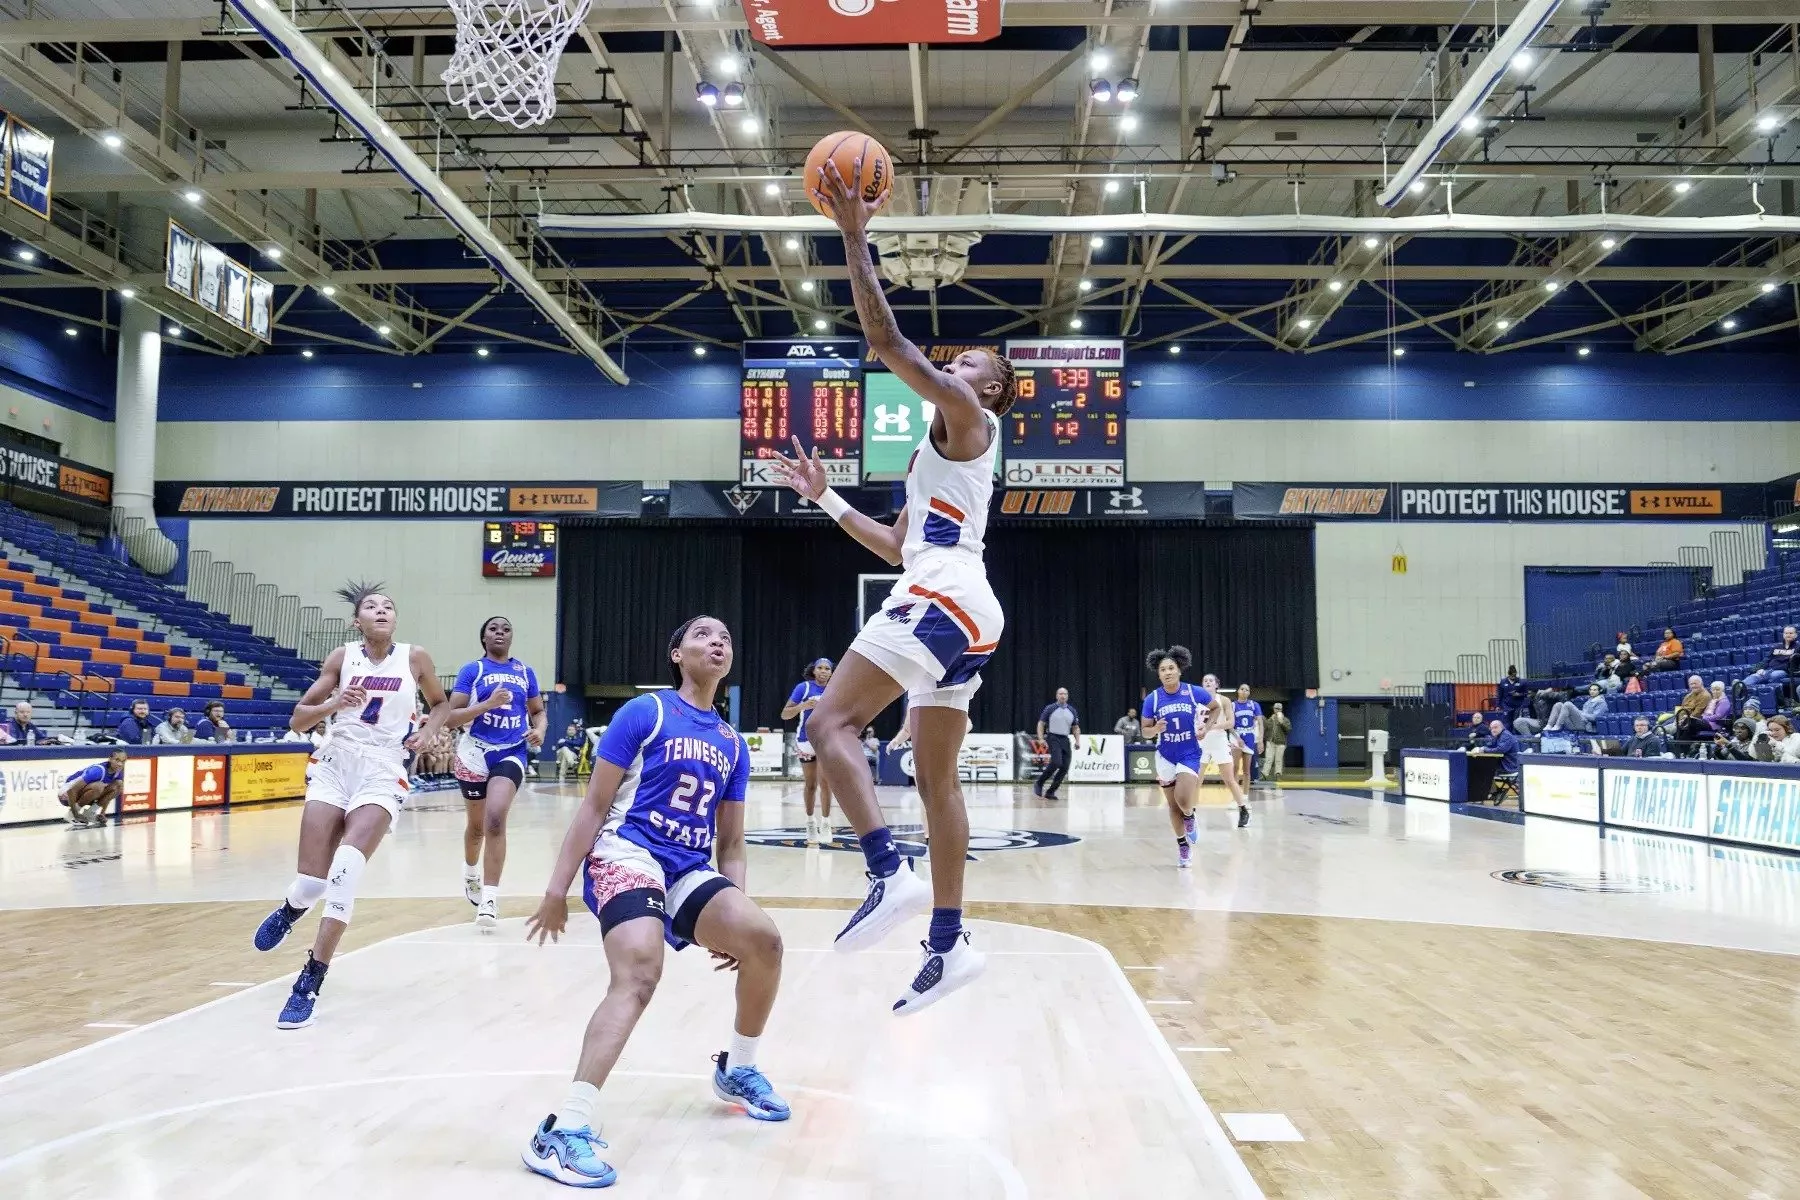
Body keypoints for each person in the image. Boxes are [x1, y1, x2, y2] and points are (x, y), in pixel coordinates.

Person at [764, 155, 1018, 1016]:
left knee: (830, 721)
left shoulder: (970, 419)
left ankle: (885, 870)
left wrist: (853, 235)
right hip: (964, 605)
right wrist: (825, 495)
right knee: (938, 784)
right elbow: (891, 544)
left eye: (972, 363)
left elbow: (887, 344)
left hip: (947, 597)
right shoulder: (936, 458)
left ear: (994, 390)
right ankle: (949, 945)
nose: (956, 367)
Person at [519, 615, 788, 1188]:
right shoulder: (647, 712)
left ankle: (738, 1068)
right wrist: (556, 890)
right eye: (704, 635)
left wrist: (733, 915)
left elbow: (732, 842)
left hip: (688, 866)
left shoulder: (732, 743)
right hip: (628, 851)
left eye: (726, 638)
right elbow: (593, 806)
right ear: (676, 654)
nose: (718, 642)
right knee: (641, 971)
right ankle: (564, 1129)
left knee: (764, 941)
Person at [248, 581, 452, 1030]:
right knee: (310, 883)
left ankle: (310, 980)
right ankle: (291, 907)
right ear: (356, 621)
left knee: (345, 869)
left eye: (389, 606)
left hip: (383, 768)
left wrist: (428, 731)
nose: (382, 611)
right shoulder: (342, 659)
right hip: (335, 763)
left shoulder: (414, 658)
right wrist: (336, 701)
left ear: (395, 619)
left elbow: (441, 703)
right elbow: (299, 719)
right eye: (372, 606)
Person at [448, 615, 547, 931]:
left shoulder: (524, 671)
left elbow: (538, 711)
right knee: (476, 828)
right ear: (484, 637)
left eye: (507, 628)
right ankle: (470, 871)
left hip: (511, 751)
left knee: (494, 819)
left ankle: (489, 899)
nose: (501, 632)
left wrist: (540, 730)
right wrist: (487, 704)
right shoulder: (472, 670)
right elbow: (451, 717)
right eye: (494, 628)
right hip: (474, 751)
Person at [1141, 646, 1230, 867]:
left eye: (1171, 668)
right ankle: (1182, 846)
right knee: (1172, 806)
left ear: (1179, 670)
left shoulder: (1192, 692)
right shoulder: (1152, 699)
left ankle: (1190, 816)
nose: (1168, 672)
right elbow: (1145, 730)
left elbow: (1215, 708)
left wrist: (1207, 728)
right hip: (1165, 755)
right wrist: (1155, 730)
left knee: (1182, 799)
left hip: (1189, 752)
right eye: (1163, 669)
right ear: (1158, 673)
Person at [781, 658, 836, 845]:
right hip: (805, 740)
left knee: (826, 783)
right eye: (819, 667)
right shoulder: (803, 688)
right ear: (813, 670)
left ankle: (826, 823)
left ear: (831, 672)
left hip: (826, 739)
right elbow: (785, 713)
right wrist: (802, 706)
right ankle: (810, 822)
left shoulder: (836, 689)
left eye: (827, 668)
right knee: (810, 785)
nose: (823, 671)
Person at [1199, 672, 1251, 826]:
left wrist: (1211, 727)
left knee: (1229, 779)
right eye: (1205, 680)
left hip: (1219, 740)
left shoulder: (1224, 700)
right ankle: (1190, 811)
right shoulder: (1197, 701)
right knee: (1196, 779)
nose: (1208, 682)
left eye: (1211, 680)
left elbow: (1231, 723)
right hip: (1202, 742)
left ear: (1217, 684)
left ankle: (1243, 809)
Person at [59, 749, 127, 827]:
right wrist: (75, 814)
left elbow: (109, 794)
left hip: (83, 794)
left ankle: (90, 812)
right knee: (99, 786)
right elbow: (72, 790)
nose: (120, 764)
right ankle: (70, 814)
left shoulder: (118, 772)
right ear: (110, 759)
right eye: (117, 760)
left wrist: (102, 813)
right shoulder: (98, 770)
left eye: (123, 761)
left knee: (118, 785)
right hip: (65, 795)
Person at [1034, 686, 1080, 801]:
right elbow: (1041, 723)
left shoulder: (1072, 710)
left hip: (1065, 738)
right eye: (1060, 694)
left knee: (1065, 767)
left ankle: (1050, 792)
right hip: (1053, 737)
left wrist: (1078, 740)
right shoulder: (1050, 708)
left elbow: (1075, 727)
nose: (1063, 696)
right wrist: (1040, 739)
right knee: (1056, 762)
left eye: (1065, 694)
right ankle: (1039, 783)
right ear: (1056, 696)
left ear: (1067, 696)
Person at [1518, 685, 1606, 737]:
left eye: (1594, 690)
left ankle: (1557, 726)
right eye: (1590, 690)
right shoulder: (1588, 701)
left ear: (1600, 691)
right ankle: (1549, 726)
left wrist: (1579, 712)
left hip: (1587, 725)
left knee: (1567, 704)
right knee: (1558, 704)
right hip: (1576, 723)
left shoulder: (1601, 702)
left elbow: (1595, 718)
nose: (1592, 691)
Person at [1740, 626, 1800, 695]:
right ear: (1783, 635)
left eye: (1791, 633)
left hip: (1785, 671)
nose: (1788, 635)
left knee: (1774, 676)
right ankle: (1739, 686)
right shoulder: (1776, 647)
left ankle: (1778, 700)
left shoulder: (1798, 647)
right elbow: (1767, 660)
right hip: (1769, 669)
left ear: (1795, 635)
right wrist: (1760, 668)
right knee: (1755, 675)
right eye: (1786, 633)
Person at [1230, 684, 1264, 790]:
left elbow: (1260, 723)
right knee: (1235, 768)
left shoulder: (1254, 705)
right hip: (1237, 736)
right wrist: (1237, 738)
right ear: (1238, 691)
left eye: (1247, 690)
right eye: (1242, 689)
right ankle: (1235, 798)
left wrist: (1260, 740)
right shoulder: (1233, 705)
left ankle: (1245, 797)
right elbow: (1229, 725)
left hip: (1249, 737)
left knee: (1247, 770)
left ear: (1249, 693)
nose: (1244, 691)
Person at [1476, 719, 1520, 786]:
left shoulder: (1506, 735)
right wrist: (1484, 748)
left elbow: (1499, 750)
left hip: (1509, 766)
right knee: (1482, 767)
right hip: (1505, 764)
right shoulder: (1498, 736)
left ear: (1502, 727)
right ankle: (1492, 792)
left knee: (1482, 769)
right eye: (1491, 728)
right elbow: (1492, 747)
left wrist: (1484, 749)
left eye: (1495, 727)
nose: (1493, 730)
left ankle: (1490, 792)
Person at [1261, 701, 1290, 781]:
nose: (1277, 710)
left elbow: (1288, 730)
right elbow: (1265, 729)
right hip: (1270, 742)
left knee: (1278, 759)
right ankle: (1264, 775)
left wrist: (1282, 722)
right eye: (1276, 708)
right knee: (1268, 759)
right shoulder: (1270, 720)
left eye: (1279, 709)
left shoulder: (1285, 720)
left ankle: (1278, 775)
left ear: (1281, 709)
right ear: (1273, 709)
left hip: (1281, 743)